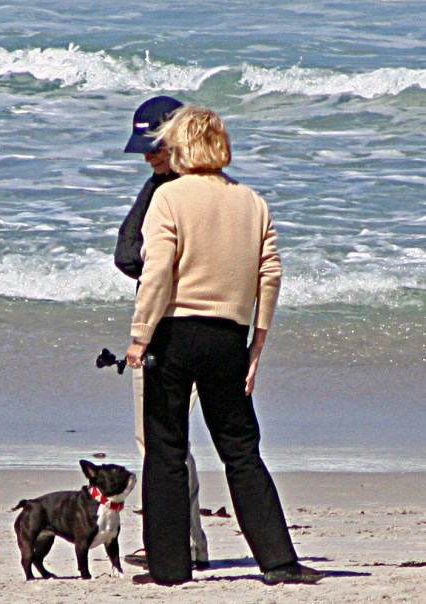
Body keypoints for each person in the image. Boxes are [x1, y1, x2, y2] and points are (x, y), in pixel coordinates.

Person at [125, 104, 323, 586]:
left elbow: (157, 273)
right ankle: (278, 562)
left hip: (174, 333)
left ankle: (170, 569)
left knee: (166, 448)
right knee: (241, 450)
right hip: (229, 337)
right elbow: (269, 274)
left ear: (181, 144)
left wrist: (138, 336)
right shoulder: (251, 200)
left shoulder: (168, 199)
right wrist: (257, 343)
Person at [115, 96, 209, 570]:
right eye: (145, 150)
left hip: (167, 329)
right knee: (188, 442)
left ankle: (178, 545)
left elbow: (130, 257)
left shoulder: (165, 193)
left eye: (155, 147)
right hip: (219, 329)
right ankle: (188, 542)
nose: (149, 158)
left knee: (159, 441)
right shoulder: (219, 189)